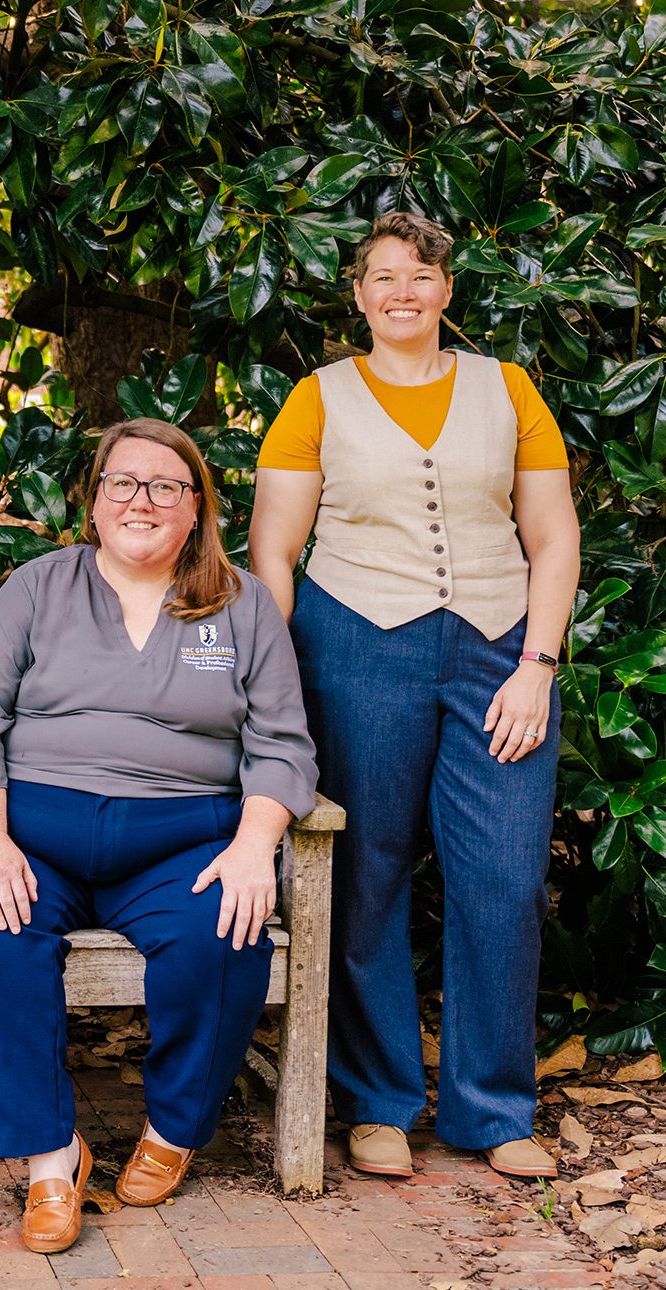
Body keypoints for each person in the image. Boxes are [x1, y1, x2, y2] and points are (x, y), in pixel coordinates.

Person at [250, 211, 580, 1181]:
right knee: (365, 876)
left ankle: (491, 1109)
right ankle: (378, 1102)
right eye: (383, 277)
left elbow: (552, 536)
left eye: (420, 276)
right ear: (357, 294)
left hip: (496, 652)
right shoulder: (316, 398)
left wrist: (536, 663)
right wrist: (272, 673)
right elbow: (275, 547)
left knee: (505, 882)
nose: (402, 291)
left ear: (445, 291)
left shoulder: (506, 389)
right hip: (355, 643)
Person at [0, 418, 317, 1250]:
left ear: (195, 509)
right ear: (96, 501)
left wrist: (255, 848)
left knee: (225, 931)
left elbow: (282, 744)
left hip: (182, 839)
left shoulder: (242, 605)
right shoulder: (37, 587)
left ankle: (175, 1130)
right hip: (30, 832)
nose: (141, 500)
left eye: (165, 487)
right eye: (123, 483)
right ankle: (49, 1159)